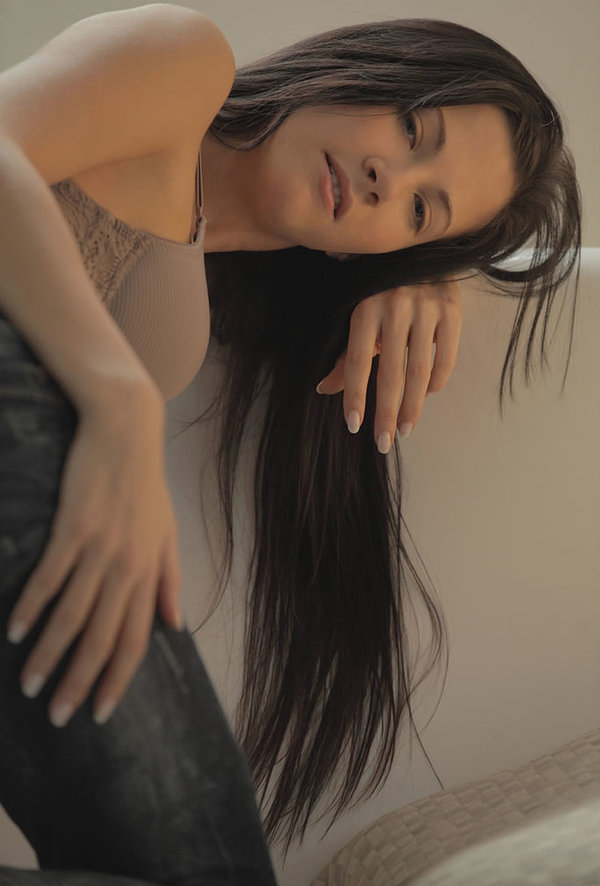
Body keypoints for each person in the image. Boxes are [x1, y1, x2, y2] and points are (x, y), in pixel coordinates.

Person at [0, 4, 581, 884]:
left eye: (421, 208)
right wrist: (117, 402)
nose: (388, 179)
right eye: (411, 127)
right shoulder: (182, 62)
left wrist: (429, 276)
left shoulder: (216, 291)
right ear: (360, 69)